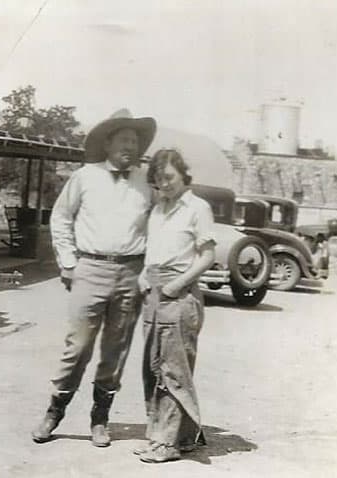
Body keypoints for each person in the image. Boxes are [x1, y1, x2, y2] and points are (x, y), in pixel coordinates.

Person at [31, 109, 156, 447]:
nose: (130, 145)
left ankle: (100, 419)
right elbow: (60, 217)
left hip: (131, 271)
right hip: (89, 268)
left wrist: (147, 270)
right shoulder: (85, 176)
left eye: (135, 140)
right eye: (124, 139)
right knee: (79, 347)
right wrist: (68, 263)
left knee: (116, 350)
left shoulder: (147, 181)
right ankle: (55, 411)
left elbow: (159, 225)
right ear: (108, 143)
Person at [133, 148, 216, 463]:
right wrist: (144, 274)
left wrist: (178, 283)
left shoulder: (197, 208)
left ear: (183, 174)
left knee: (174, 370)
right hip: (154, 293)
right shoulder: (158, 210)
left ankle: (169, 443)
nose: (163, 185)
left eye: (168, 177)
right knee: (153, 367)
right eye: (157, 180)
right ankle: (162, 436)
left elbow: (206, 255)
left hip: (179, 295)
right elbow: (153, 251)